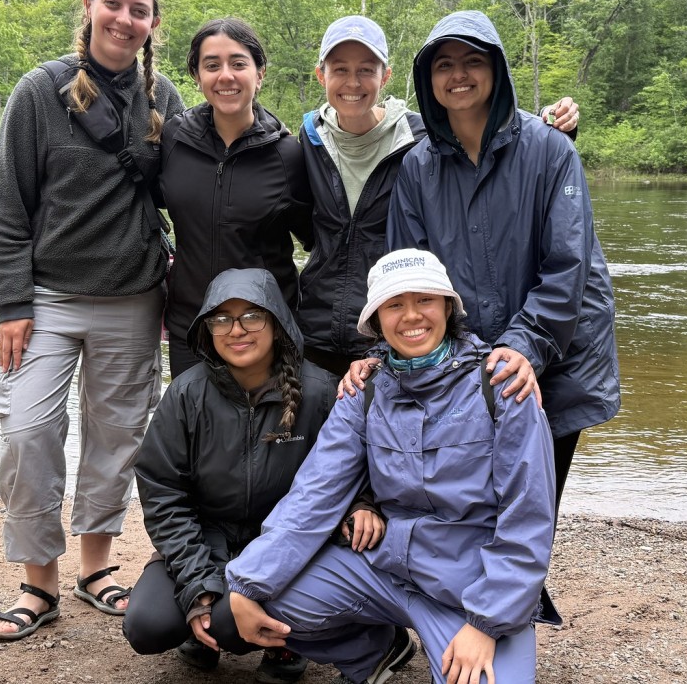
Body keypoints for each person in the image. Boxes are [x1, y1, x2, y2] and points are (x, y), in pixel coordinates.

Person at [227, 249, 559, 684]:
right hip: (385, 569)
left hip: (467, 589)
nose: (411, 316)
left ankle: (469, 633)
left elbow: (528, 521)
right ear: (376, 320)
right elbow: (315, 493)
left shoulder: (501, 385)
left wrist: (485, 624)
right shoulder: (365, 389)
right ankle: (375, 651)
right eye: (395, 305)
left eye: (425, 300)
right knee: (263, 604)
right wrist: (248, 583)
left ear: (447, 307)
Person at [0, 0, 185, 641]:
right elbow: (8, 207)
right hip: (46, 299)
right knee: (27, 430)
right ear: (90, 6)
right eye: (115, 4)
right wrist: (11, 303)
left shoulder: (164, 99)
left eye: (140, 10)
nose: (125, 19)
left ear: (153, 25)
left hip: (133, 298)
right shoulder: (40, 91)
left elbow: (188, 194)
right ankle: (38, 580)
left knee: (117, 438)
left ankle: (96, 569)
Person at [372, 10, 621, 512]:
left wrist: (522, 349)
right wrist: (440, 361)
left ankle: (527, 590)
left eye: (471, 61)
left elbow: (568, 265)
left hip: (557, 358)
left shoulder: (551, 151)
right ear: (428, 79)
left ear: (496, 69)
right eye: (443, 64)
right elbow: (410, 279)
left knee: (533, 509)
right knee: (480, 508)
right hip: (468, 366)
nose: (458, 74)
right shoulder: (418, 169)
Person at [125, 268, 384, 683]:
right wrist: (197, 583)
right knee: (147, 625)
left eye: (252, 316)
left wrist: (362, 504)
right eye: (221, 319)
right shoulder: (186, 394)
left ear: (277, 322)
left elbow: (355, 469)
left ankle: (287, 643)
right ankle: (202, 615)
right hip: (206, 539)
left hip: (286, 548)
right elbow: (163, 493)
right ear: (206, 328)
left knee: (230, 624)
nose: (236, 330)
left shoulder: (321, 392)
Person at [297, 14, 580, 381]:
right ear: (321, 75)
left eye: (367, 69)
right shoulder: (304, 144)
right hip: (332, 333)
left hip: (503, 353)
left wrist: (551, 125)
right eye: (445, 65)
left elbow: (567, 261)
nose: (353, 81)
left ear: (387, 76)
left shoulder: (414, 140)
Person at [158, 18, 313, 379]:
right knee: (196, 433)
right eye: (212, 65)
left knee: (265, 435)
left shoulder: (288, 155)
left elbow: (318, 240)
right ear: (197, 76)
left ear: (259, 74)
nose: (225, 75)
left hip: (263, 332)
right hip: (191, 329)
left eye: (238, 63)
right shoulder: (173, 141)